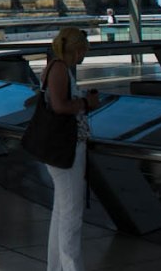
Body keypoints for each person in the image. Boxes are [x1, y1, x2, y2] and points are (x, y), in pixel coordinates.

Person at [41, 27, 100, 271]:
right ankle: (71, 266)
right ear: (76, 49)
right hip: (66, 148)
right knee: (71, 216)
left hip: (61, 147)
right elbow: (59, 106)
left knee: (61, 211)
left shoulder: (55, 68)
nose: (84, 55)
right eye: (83, 50)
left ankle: (56, 267)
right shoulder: (60, 69)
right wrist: (87, 103)